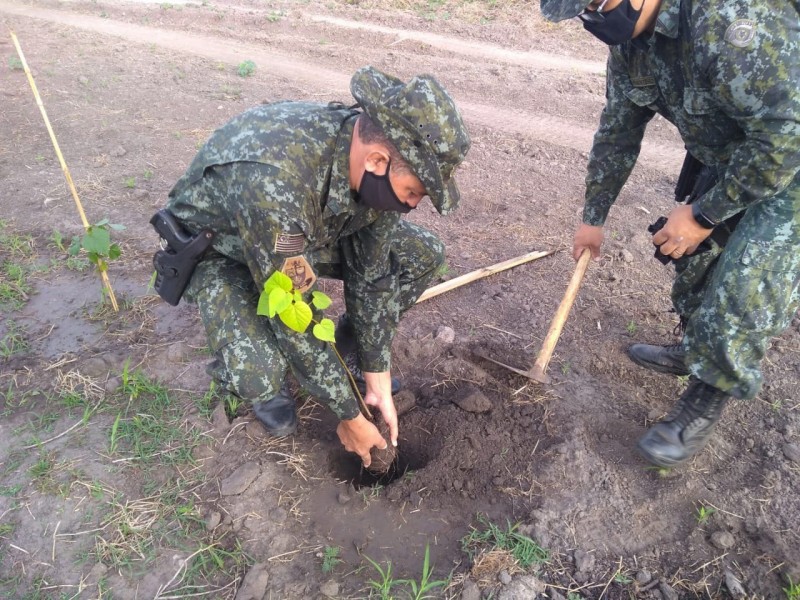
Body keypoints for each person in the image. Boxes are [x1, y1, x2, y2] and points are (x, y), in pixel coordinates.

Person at [152, 66, 470, 467]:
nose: (412, 204)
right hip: (222, 251)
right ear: (376, 160)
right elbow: (292, 308)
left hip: (298, 237)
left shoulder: (380, 170)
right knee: (260, 373)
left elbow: (370, 274)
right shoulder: (279, 180)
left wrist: (376, 370)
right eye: (412, 192)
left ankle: (347, 359)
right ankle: (251, 368)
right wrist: (350, 416)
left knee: (420, 253)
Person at [539, 0, 799, 466]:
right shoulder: (632, 48)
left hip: (790, 162)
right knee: (696, 261)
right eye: (584, 11)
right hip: (733, 157)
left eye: (598, 3)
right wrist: (592, 218)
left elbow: (785, 137)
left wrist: (704, 213)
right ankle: (693, 348)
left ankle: (703, 401)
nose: (595, 18)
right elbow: (618, 131)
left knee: (746, 281)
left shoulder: (727, 22)